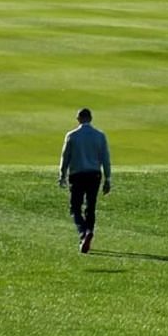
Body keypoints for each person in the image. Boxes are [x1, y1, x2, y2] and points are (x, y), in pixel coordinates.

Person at [57, 107, 112, 253]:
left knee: (75, 207)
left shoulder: (72, 135)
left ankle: (83, 233)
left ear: (79, 119)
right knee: (90, 207)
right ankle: (88, 234)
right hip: (94, 175)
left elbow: (65, 157)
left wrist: (62, 175)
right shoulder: (99, 135)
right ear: (91, 118)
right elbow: (105, 158)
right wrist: (108, 178)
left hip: (77, 175)